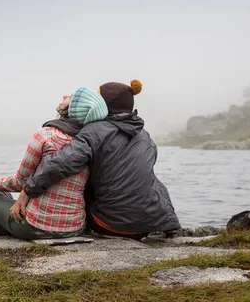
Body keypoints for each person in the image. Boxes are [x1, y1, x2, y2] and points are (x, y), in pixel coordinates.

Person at [14, 79, 181, 239]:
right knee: (150, 179)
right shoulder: (145, 136)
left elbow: (61, 162)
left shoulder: (95, 131)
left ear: (104, 104)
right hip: (148, 225)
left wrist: (29, 189)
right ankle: (171, 224)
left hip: (109, 225)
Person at [0, 87, 108, 239]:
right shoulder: (91, 144)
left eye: (70, 97)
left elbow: (21, 181)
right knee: (3, 192)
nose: (64, 95)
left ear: (75, 109)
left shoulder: (45, 135)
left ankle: (9, 226)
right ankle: (4, 226)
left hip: (36, 226)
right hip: (76, 227)